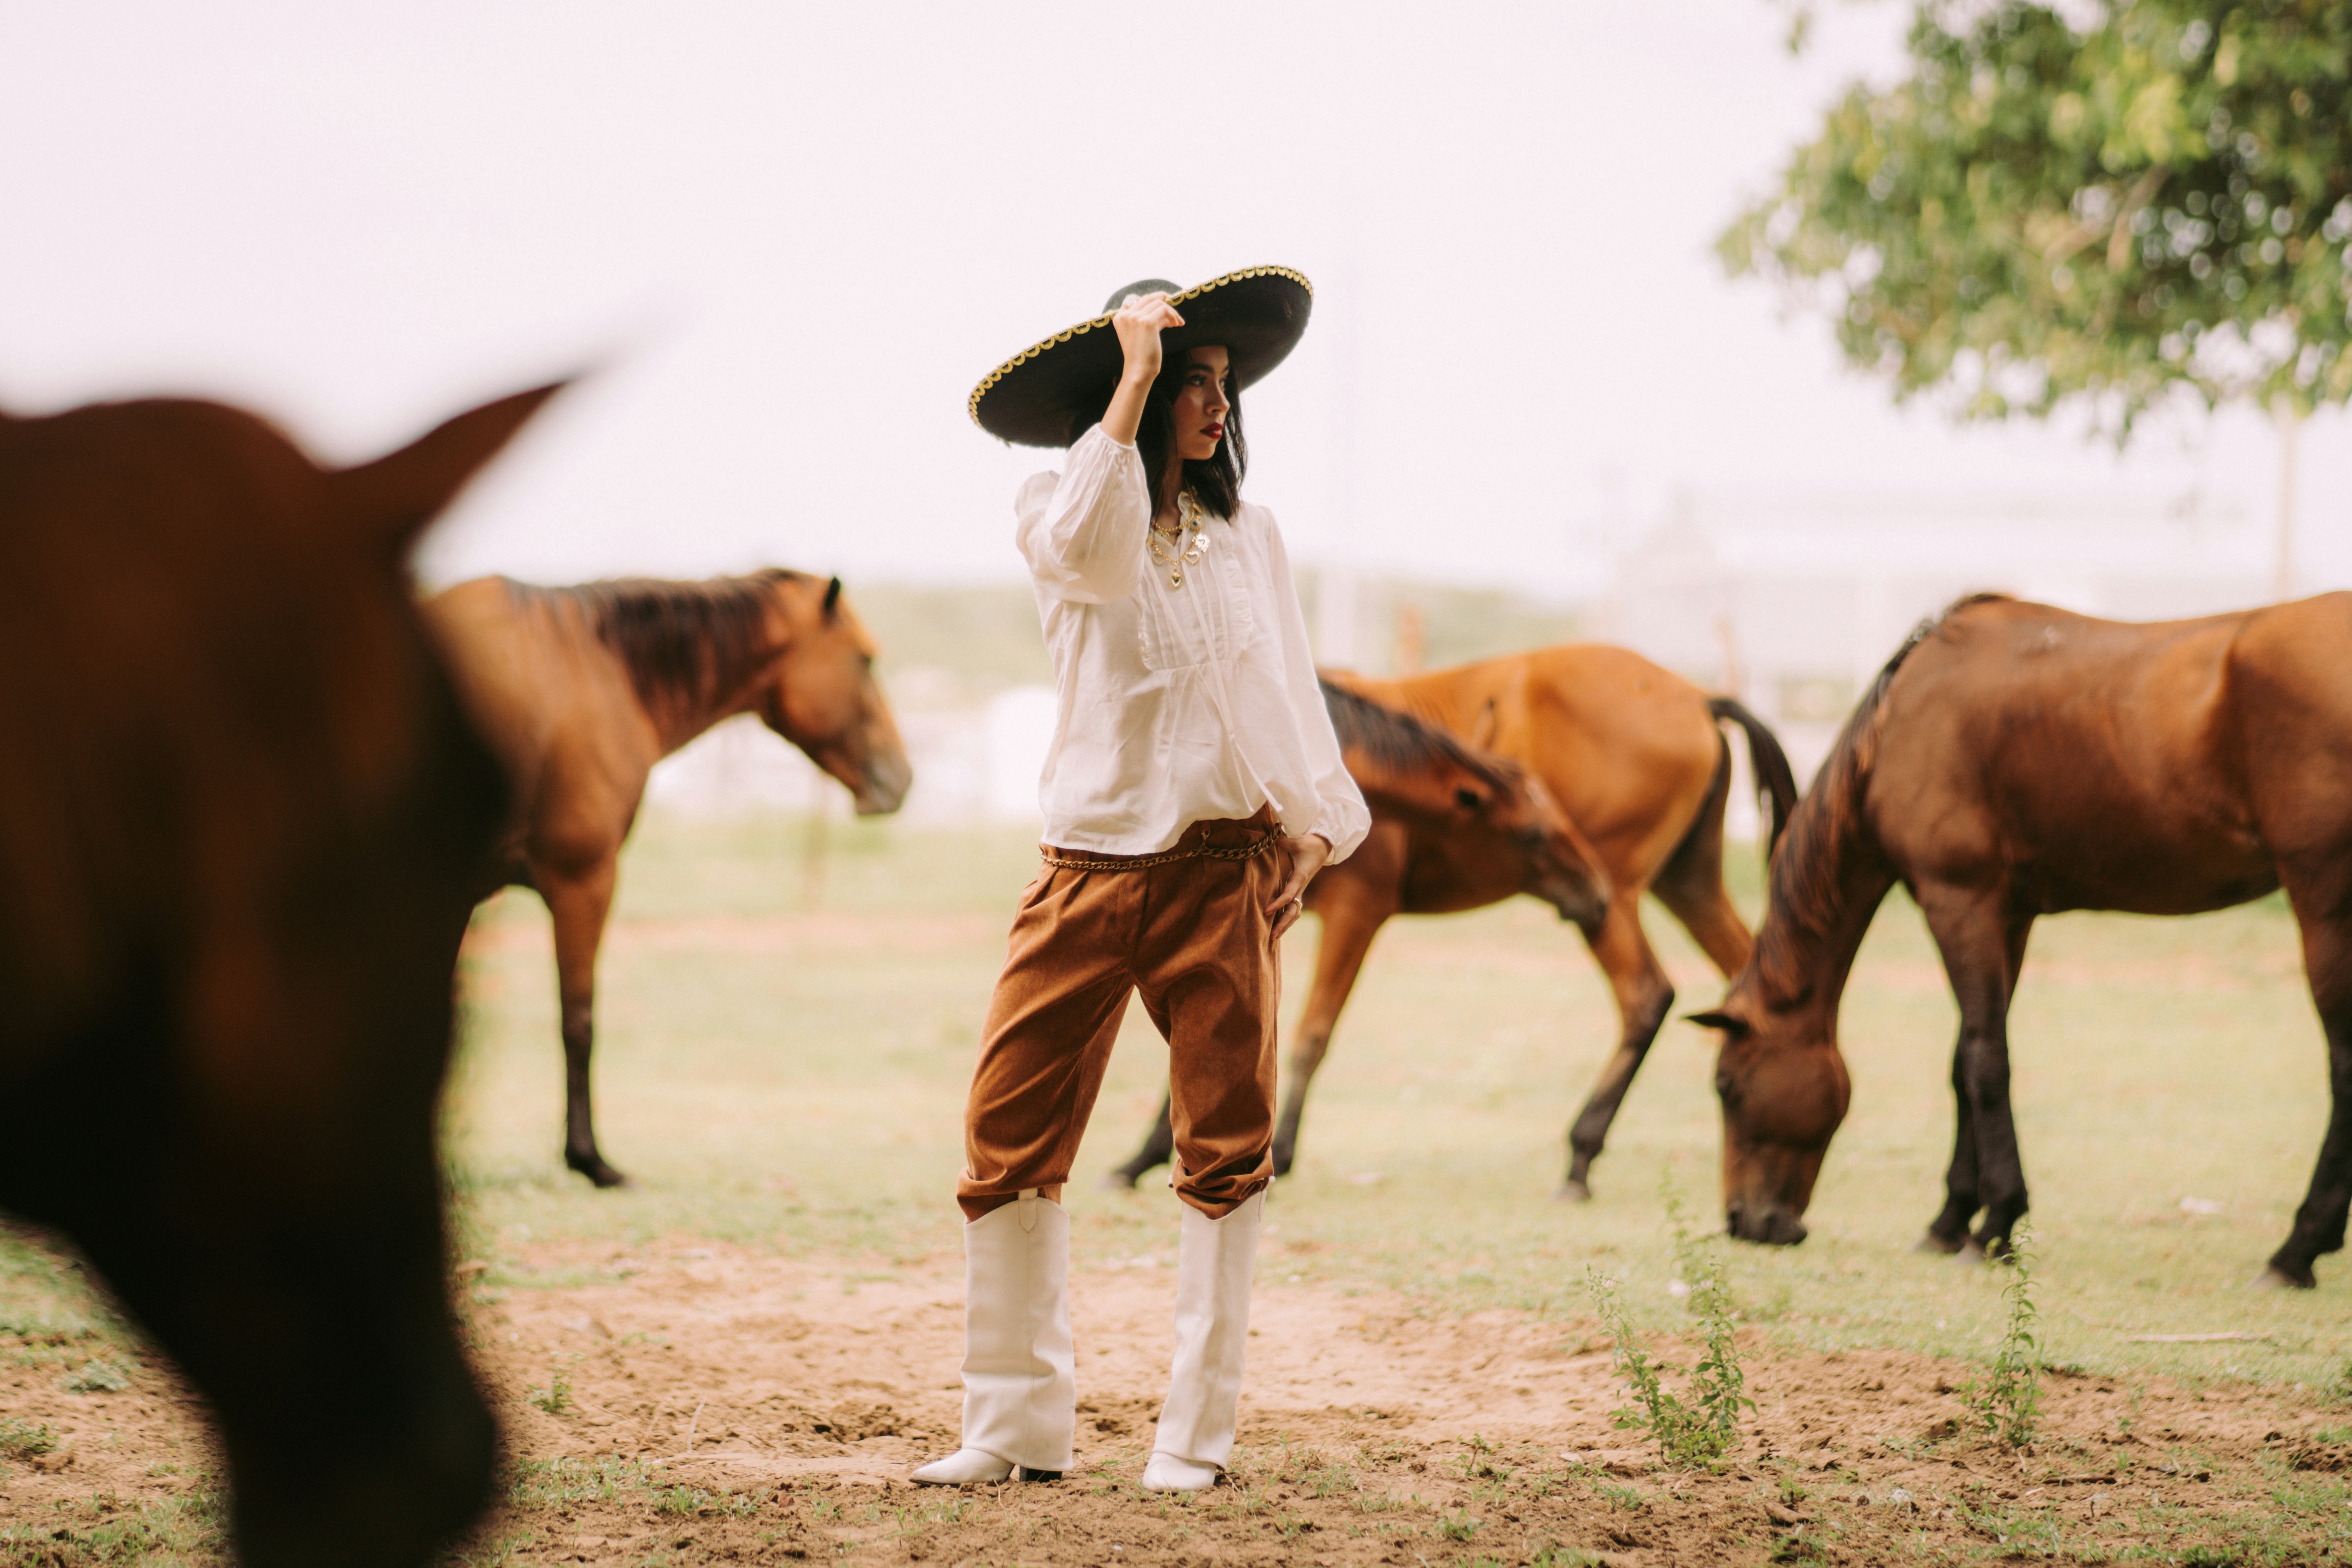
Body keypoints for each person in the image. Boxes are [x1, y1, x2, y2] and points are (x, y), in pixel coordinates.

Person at [912, 269, 1369, 1494]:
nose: (1217, 405)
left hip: (1222, 873)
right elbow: (1093, 555)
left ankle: (1194, 1439)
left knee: (1225, 1152)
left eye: (1225, 384)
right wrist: (1127, 376)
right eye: (1193, 382)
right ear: (1144, 386)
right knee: (1006, 1140)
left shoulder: (1249, 539)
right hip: (1084, 875)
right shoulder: (1056, 509)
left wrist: (1317, 827)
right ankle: (1013, 1427)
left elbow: (1284, 692)